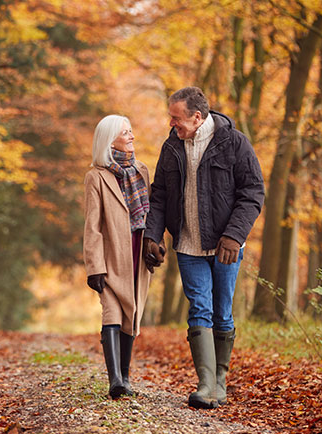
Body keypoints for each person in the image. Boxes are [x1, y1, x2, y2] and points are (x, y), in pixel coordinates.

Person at [142, 87, 264, 409]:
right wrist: (152, 236)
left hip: (226, 246)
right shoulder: (171, 147)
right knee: (199, 307)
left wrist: (235, 235)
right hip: (187, 244)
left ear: (197, 117)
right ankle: (205, 383)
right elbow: (159, 196)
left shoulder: (234, 143)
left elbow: (253, 192)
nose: (172, 123)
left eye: (176, 117)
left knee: (222, 311)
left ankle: (220, 382)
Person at [83, 114, 160, 399]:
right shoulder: (96, 177)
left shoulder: (142, 170)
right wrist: (94, 267)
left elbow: (151, 214)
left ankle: (126, 377)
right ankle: (116, 380)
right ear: (109, 139)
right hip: (111, 256)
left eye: (131, 131)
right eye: (125, 132)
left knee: (133, 314)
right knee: (112, 311)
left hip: (138, 253)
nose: (132, 136)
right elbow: (92, 225)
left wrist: (155, 242)